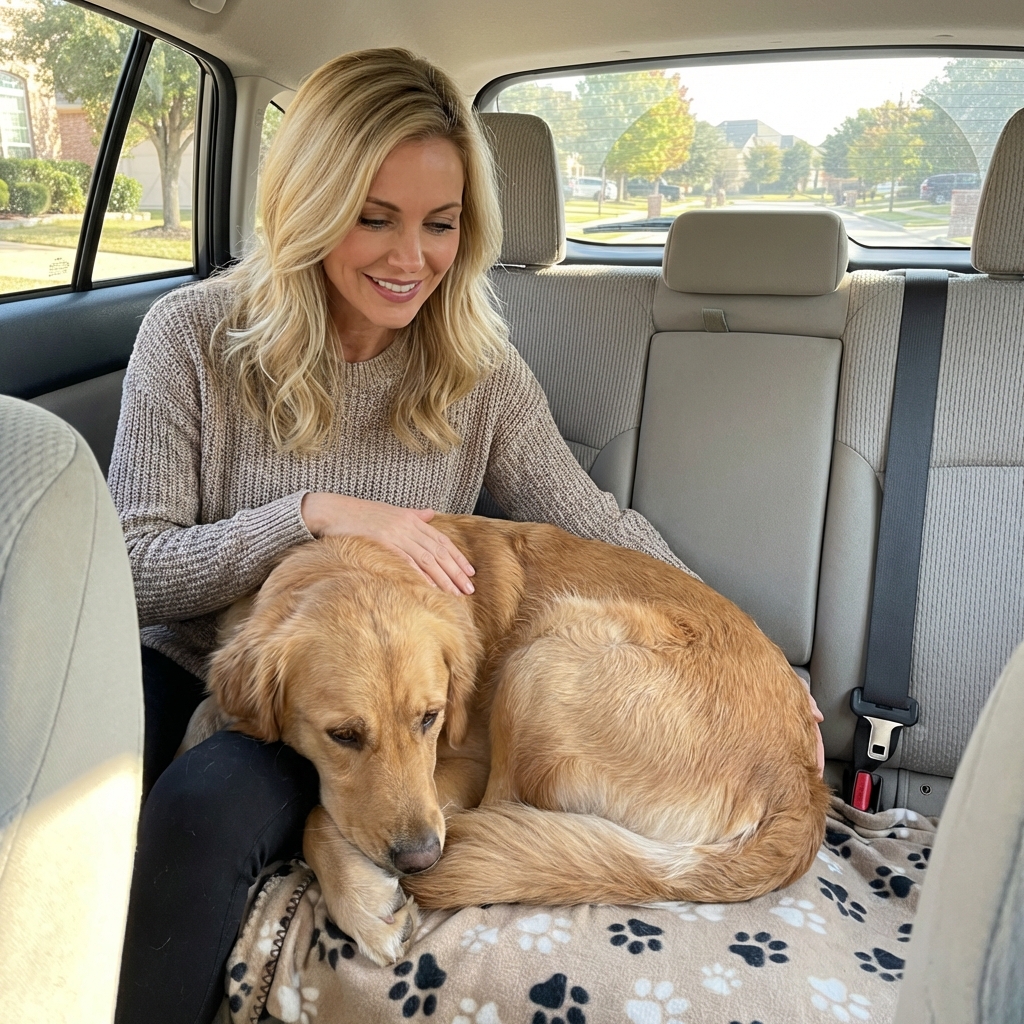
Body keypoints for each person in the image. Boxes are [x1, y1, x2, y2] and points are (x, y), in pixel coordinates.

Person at [110, 47, 822, 1024]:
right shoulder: (189, 335)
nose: (411, 258)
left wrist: (763, 665)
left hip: (356, 699)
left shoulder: (475, 371)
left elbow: (594, 526)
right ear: (308, 203)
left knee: (202, 814)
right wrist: (310, 512)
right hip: (216, 657)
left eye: (439, 224)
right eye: (374, 217)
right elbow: (130, 569)